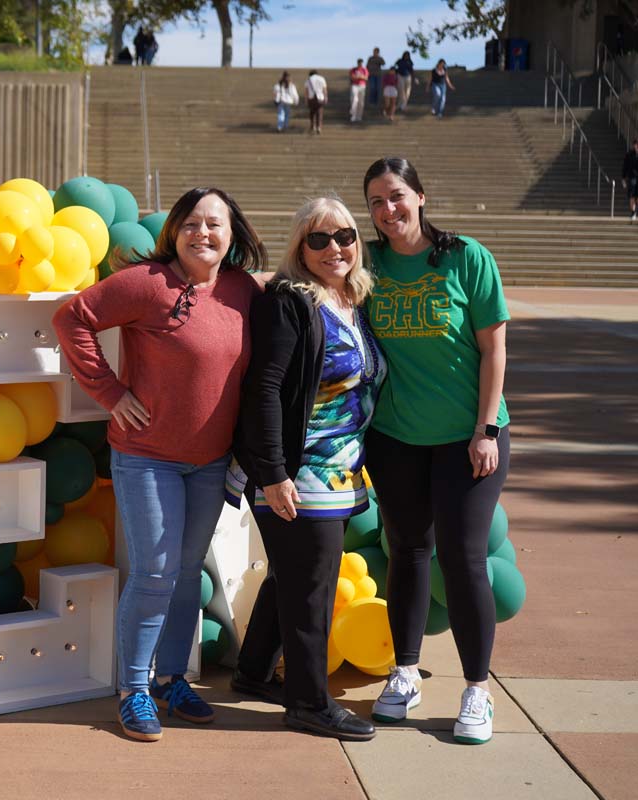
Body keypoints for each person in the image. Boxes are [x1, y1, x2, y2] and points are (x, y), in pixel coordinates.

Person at [53, 187, 266, 743]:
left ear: (232, 234)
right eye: (192, 223)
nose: (203, 234)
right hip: (147, 458)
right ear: (174, 230)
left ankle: (173, 680)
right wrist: (109, 391)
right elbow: (73, 318)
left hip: (212, 462)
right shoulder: (148, 284)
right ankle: (134, 690)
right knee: (154, 572)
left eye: (215, 224)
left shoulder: (243, 290)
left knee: (186, 573)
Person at [361, 157, 510, 745]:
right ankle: (404, 673)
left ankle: (477, 689)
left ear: (420, 196)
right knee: (406, 551)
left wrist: (486, 430)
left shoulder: (465, 257)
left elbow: (494, 351)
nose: (387, 210)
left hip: (467, 438)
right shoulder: (366, 265)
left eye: (396, 196)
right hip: (396, 438)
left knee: (464, 557)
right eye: (375, 201)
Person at [226, 197, 384, 742]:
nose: (332, 248)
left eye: (342, 236)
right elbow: (265, 388)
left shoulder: (352, 298)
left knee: (294, 575)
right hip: (296, 470)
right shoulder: (290, 301)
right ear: (299, 248)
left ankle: (251, 672)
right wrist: (272, 473)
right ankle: (308, 703)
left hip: (339, 470)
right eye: (317, 239)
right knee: (311, 587)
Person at [305, 70, 328, 135]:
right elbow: (324, 89)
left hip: (311, 98)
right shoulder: (322, 79)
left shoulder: (308, 80)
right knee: (319, 113)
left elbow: (306, 91)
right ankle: (319, 127)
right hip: (320, 98)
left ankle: (312, 126)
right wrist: (326, 97)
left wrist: (306, 100)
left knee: (312, 113)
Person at [622, 139, 638, 220]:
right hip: (632, 177)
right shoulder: (629, 155)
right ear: (634, 145)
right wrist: (623, 178)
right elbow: (625, 167)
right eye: (637, 144)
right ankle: (633, 212)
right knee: (632, 196)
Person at [350, 58, 369, 123]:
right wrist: (361, 76)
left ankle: (359, 116)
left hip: (362, 86)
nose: (360, 64)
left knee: (361, 102)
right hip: (355, 85)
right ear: (357, 63)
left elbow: (366, 78)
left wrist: (359, 76)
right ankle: (353, 116)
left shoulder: (364, 69)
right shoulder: (353, 69)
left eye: (361, 63)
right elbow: (352, 77)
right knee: (354, 100)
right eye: (359, 63)